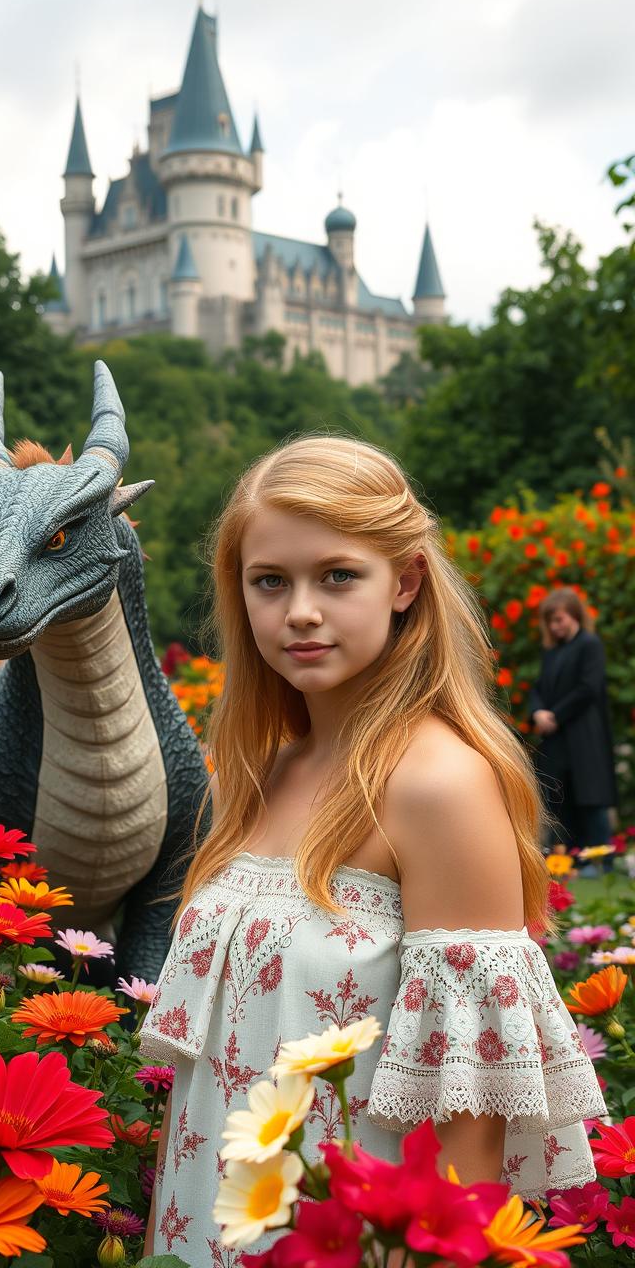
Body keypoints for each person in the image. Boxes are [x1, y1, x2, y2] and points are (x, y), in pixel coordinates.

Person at [140, 438, 605, 1265]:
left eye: (338, 575)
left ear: (408, 582)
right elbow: (198, 1098)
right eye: (270, 581)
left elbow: (471, 1129)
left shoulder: (441, 787)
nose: (301, 611)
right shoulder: (262, 771)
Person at [529, 588, 617, 871]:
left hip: (584, 737)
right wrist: (538, 712)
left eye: (560, 619)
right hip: (558, 740)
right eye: (551, 621)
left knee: (590, 799)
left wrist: (555, 715)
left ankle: (600, 860)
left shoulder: (589, 645)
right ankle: (569, 862)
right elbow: (539, 688)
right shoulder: (553, 652)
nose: (555, 626)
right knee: (559, 799)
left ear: (574, 615)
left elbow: (588, 688)